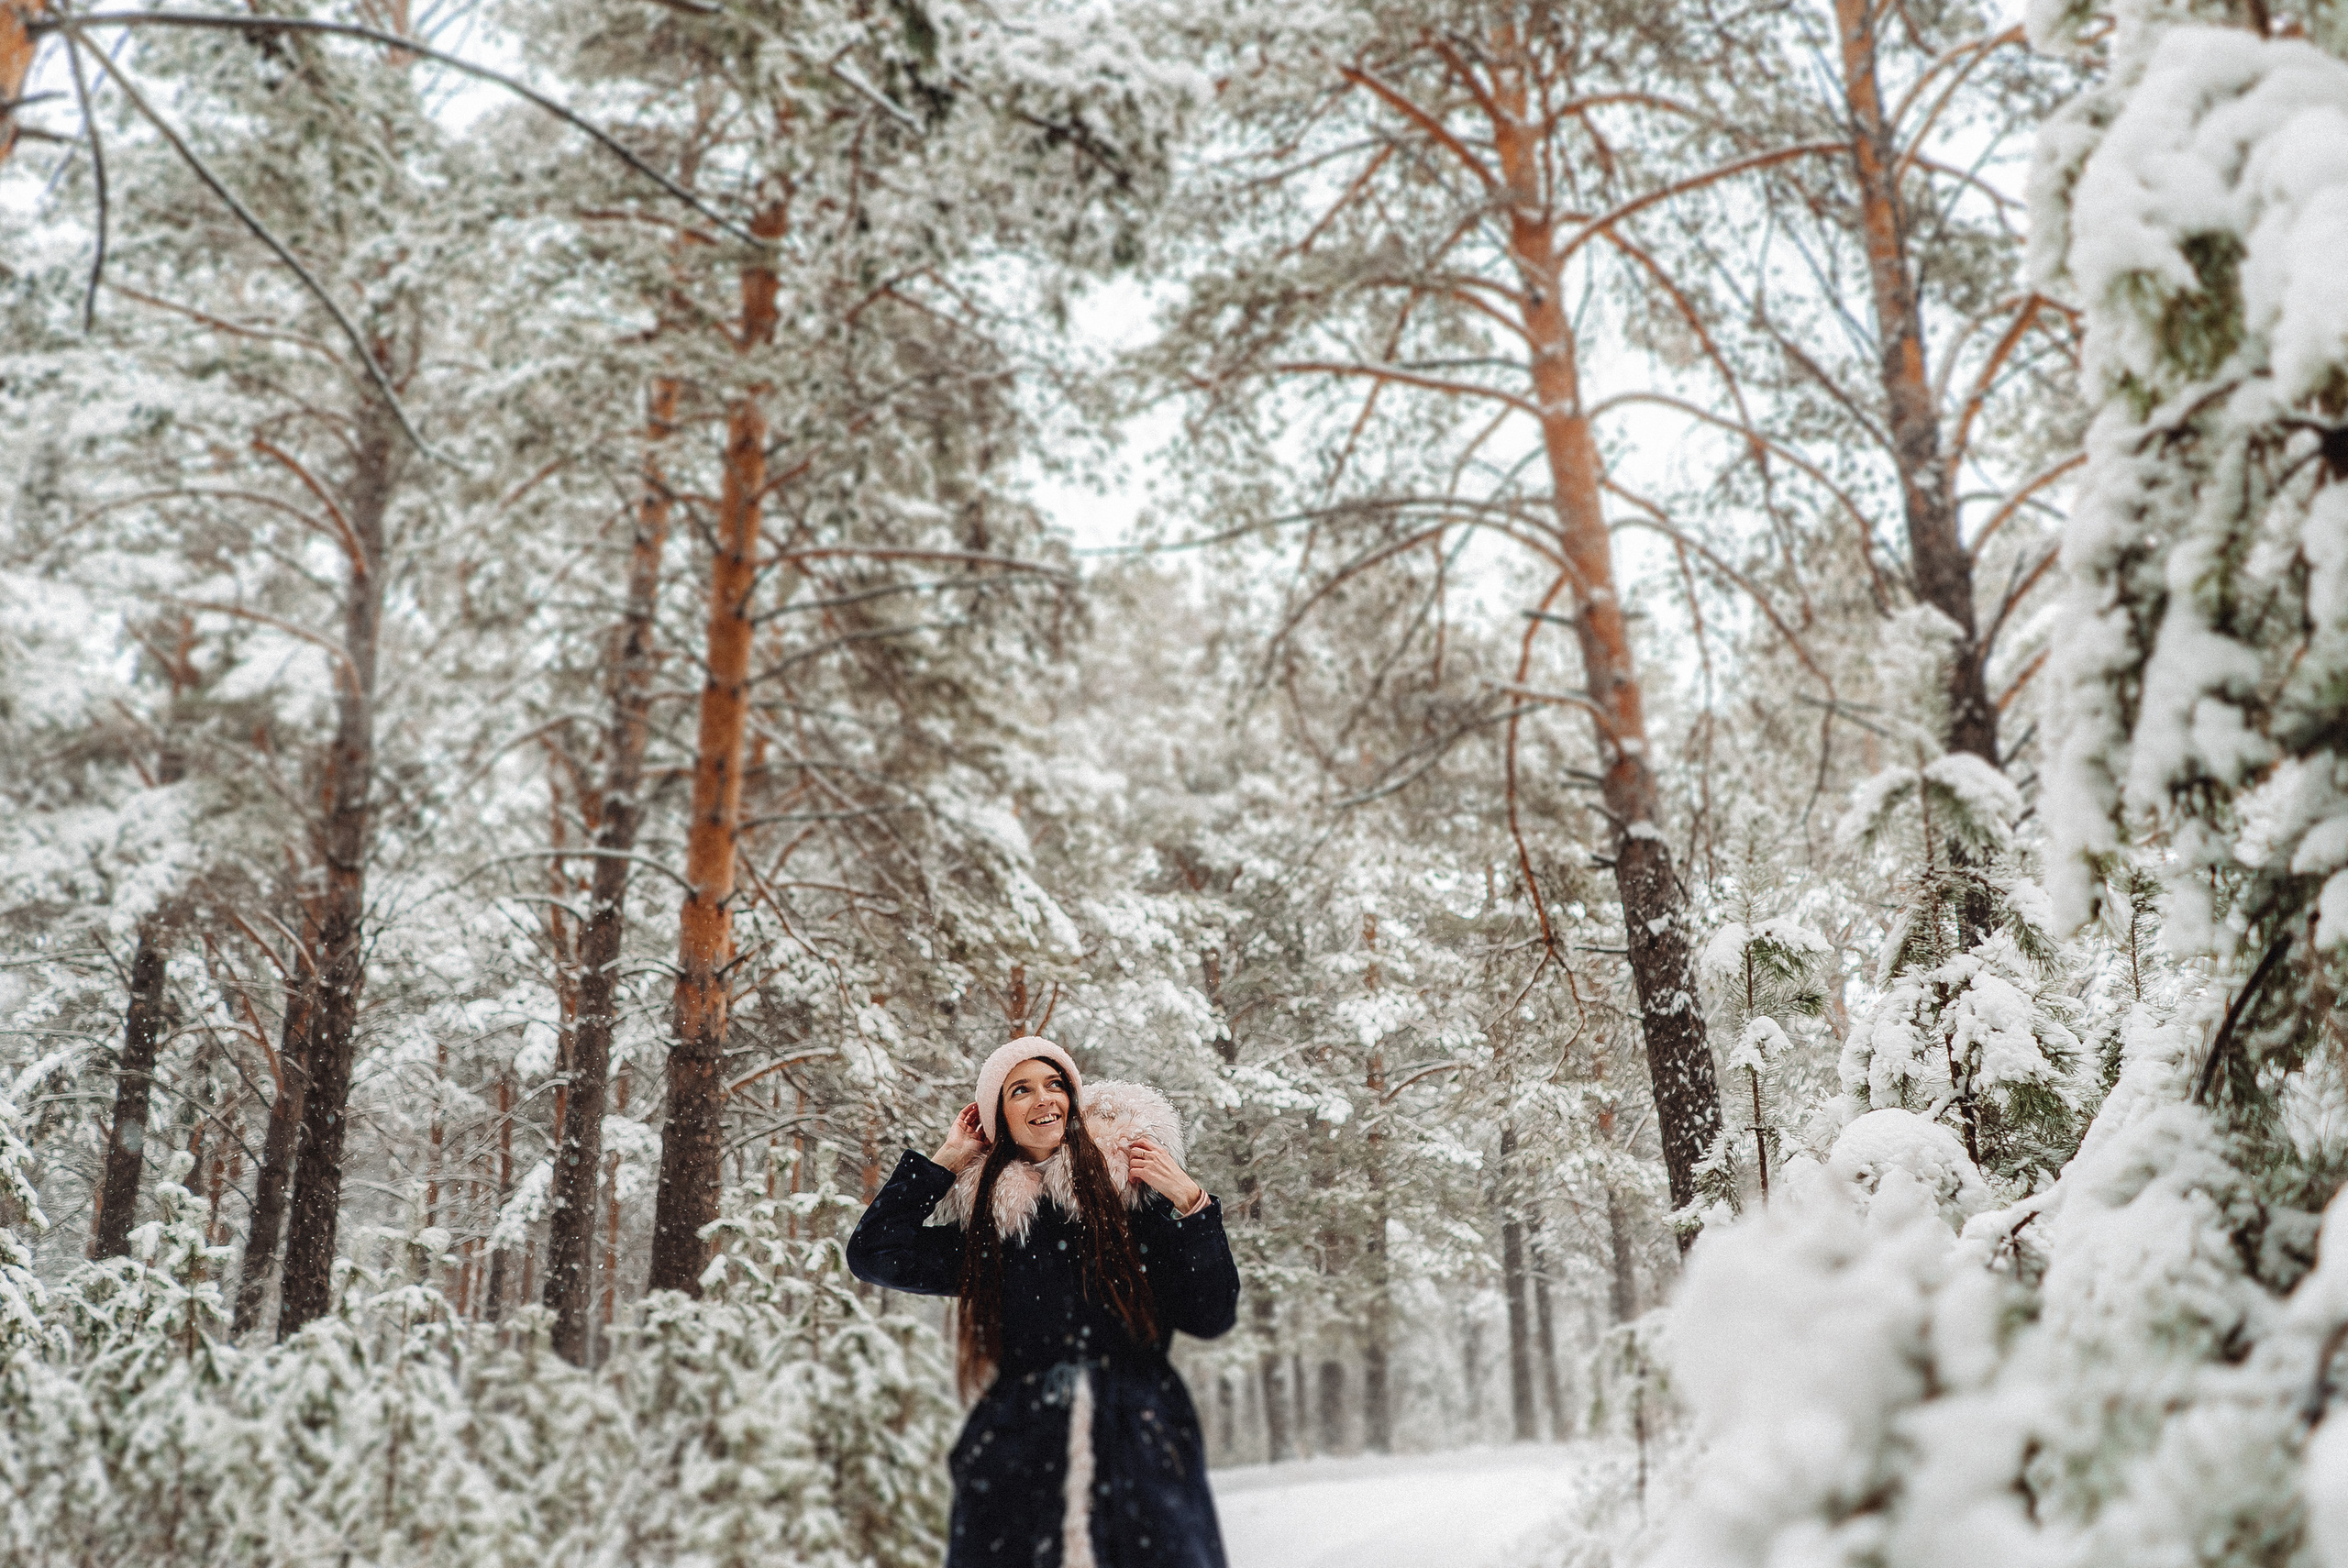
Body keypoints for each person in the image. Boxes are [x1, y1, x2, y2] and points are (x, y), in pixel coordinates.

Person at [847, 1036, 1240, 1568]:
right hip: (1017, 1450)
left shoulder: (1132, 1206)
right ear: (998, 1118)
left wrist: (1193, 1205)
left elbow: (1211, 1315)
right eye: (1021, 1090)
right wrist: (946, 1161)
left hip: (1140, 1443)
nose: (1044, 1099)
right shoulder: (993, 1233)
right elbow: (874, 1253)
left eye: (1055, 1084)